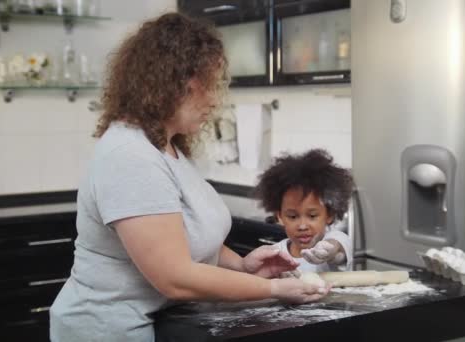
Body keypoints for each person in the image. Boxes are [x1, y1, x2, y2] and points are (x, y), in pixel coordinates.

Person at [49, 13, 329, 342]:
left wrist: (242, 266)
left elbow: (186, 235)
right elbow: (175, 277)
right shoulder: (130, 157)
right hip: (105, 329)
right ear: (171, 84)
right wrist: (274, 288)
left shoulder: (164, 147)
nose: (213, 100)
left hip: (154, 322)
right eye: (206, 86)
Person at [253, 149, 355, 274]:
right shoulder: (275, 254)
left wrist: (331, 253)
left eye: (312, 216)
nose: (302, 226)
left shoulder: (335, 240)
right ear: (279, 216)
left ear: (329, 214)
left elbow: (337, 246)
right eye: (292, 216)